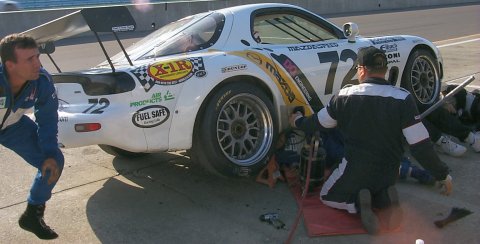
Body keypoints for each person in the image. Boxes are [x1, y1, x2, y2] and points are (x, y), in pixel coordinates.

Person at [289, 46, 452, 235]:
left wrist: (297, 120)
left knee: (327, 196)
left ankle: (359, 204)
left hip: (355, 170)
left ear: (362, 70)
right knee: (380, 184)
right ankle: (383, 199)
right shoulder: (403, 98)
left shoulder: (345, 96)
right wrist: (442, 175)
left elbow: (318, 123)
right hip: (389, 173)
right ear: (385, 70)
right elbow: (421, 146)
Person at [0, 33, 63, 239]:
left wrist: (49, 153)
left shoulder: (41, 81)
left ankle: (32, 214)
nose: (38, 63)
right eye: (30, 59)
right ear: (10, 65)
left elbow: (47, 120)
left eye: (37, 56)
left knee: (53, 160)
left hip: (12, 128)